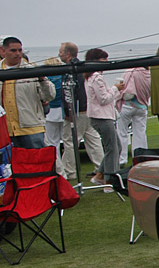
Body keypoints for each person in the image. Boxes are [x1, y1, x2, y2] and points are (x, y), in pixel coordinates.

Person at [54, 42, 104, 181]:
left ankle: (69, 171)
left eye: (61, 52)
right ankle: (101, 167)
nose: (59, 54)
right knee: (93, 139)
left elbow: (70, 92)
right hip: (87, 109)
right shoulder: (83, 68)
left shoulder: (71, 70)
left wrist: (70, 111)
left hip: (76, 111)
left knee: (70, 141)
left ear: (68, 54)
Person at [1, 37, 55, 149]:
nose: (18, 54)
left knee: (37, 163)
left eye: (20, 50)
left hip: (31, 127)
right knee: (10, 165)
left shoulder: (32, 70)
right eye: (13, 50)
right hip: (6, 130)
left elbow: (50, 95)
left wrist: (42, 79)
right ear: (3, 51)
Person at [83, 48, 119, 189]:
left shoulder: (90, 77)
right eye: (103, 60)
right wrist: (116, 88)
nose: (106, 63)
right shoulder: (97, 77)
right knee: (112, 148)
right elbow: (104, 99)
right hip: (101, 117)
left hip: (101, 116)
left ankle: (100, 174)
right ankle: (109, 180)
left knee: (116, 146)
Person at [116, 64, 150, 165]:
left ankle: (122, 158)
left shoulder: (129, 72)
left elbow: (122, 87)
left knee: (122, 132)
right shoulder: (147, 74)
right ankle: (140, 157)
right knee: (140, 132)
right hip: (142, 106)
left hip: (126, 105)